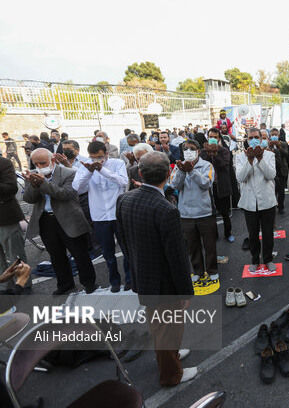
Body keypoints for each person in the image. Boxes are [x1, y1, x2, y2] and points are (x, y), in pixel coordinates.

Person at [116, 151, 196, 387]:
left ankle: (169, 356)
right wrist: (185, 293)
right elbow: (178, 257)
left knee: (160, 326)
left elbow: (123, 241)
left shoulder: (125, 199)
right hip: (164, 284)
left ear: (140, 173)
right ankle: (171, 375)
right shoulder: (166, 209)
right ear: (170, 173)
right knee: (167, 329)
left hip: (142, 275)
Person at [23, 148, 97, 295]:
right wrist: (33, 185)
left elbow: (65, 194)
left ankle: (89, 283)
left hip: (69, 218)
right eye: (36, 163)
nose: (39, 166)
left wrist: (43, 183)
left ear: (52, 160)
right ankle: (65, 284)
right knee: (56, 255)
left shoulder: (68, 173)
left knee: (80, 254)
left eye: (43, 163)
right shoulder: (32, 175)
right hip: (46, 220)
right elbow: (28, 199)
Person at [72, 140, 130, 292]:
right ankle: (114, 281)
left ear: (106, 153)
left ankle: (130, 278)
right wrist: (90, 171)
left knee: (126, 249)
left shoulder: (117, 164)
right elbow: (77, 188)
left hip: (118, 213)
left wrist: (102, 170)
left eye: (99, 157)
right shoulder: (85, 166)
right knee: (108, 252)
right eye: (93, 157)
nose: (96, 161)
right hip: (99, 216)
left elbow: (123, 182)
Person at [170, 140, 219, 287]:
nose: (189, 151)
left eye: (192, 148)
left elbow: (206, 184)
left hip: (205, 212)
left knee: (209, 244)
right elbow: (174, 185)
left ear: (198, 150)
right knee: (193, 245)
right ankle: (198, 271)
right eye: (186, 149)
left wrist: (191, 170)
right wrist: (182, 171)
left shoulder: (207, 165)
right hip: (186, 214)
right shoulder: (178, 167)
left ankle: (212, 270)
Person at [236, 128, 277, 271]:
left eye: (256, 137)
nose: (253, 140)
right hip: (249, 203)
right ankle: (255, 259)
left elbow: (271, 175)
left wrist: (260, 159)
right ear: (247, 140)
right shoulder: (240, 157)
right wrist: (250, 160)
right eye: (250, 137)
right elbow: (240, 177)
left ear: (261, 139)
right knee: (253, 234)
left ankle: (268, 259)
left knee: (267, 233)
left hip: (267, 201)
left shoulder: (269, 155)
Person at [0, 155, 28, 290]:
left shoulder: (4, 163)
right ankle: (4, 288)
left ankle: (22, 285)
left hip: (5, 216)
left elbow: (11, 188)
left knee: (15, 254)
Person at [202, 129, 234, 242]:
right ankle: (214, 235)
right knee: (211, 214)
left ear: (219, 138)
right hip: (209, 187)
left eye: (215, 137)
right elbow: (202, 166)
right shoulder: (203, 151)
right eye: (210, 136)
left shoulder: (224, 151)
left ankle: (228, 233)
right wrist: (208, 153)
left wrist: (215, 154)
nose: (213, 139)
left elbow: (224, 166)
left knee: (225, 212)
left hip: (222, 185)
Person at [268, 128, 289, 214]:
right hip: (272, 169)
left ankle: (281, 206)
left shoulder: (283, 144)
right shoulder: (268, 145)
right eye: (272, 135)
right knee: (273, 190)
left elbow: (287, 154)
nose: (274, 136)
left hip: (282, 170)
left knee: (281, 191)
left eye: (275, 135)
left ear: (278, 135)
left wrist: (279, 147)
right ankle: (272, 207)